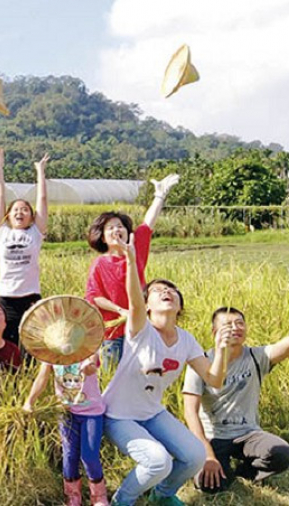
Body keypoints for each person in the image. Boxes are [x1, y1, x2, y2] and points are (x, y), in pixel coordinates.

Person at [101, 235, 231, 506]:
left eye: (171, 290)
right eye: (158, 290)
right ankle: (122, 500)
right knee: (158, 460)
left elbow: (215, 379)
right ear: (148, 306)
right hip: (117, 415)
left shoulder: (187, 339)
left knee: (195, 455)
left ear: (180, 305)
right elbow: (134, 302)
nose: (166, 292)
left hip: (151, 413)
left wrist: (222, 349)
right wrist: (130, 259)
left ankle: (162, 495)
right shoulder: (140, 330)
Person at [184, 307, 289, 494]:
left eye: (240, 323)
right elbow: (190, 413)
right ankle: (219, 470)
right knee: (210, 485)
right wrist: (208, 456)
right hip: (212, 437)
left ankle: (244, 473)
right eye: (227, 325)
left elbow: (285, 345)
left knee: (282, 453)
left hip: (248, 434)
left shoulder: (257, 356)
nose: (235, 328)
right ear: (214, 332)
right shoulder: (201, 362)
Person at [85, 174, 180, 367]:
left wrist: (160, 196)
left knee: (145, 375)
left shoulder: (136, 251)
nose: (116, 230)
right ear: (102, 238)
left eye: (120, 226)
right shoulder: (100, 264)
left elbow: (148, 224)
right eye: (110, 228)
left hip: (141, 329)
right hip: (114, 333)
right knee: (114, 380)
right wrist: (121, 311)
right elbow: (94, 297)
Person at [23, 357, 108, 506]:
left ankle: (98, 496)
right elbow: (42, 378)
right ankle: (72, 495)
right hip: (66, 413)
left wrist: (89, 368)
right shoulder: (52, 353)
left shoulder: (88, 347)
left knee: (89, 455)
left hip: (91, 412)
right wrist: (29, 401)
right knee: (69, 455)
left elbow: (92, 365)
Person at [0, 147, 48, 351]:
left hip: (31, 297)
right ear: (8, 215)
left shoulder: (35, 232)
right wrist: (0, 161)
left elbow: (42, 201)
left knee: (32, 346)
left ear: (31, 217)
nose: (20, 212)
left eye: (25, 210)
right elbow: (0, 195)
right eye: (15, 209)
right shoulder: (2, 232)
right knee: (7, 345)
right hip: (6, 297)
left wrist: (40, 171)